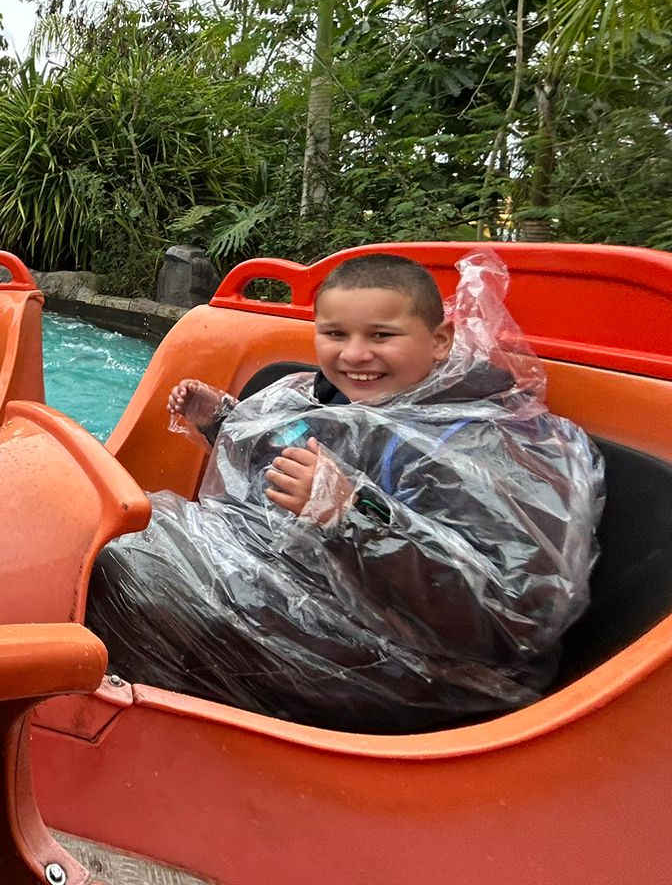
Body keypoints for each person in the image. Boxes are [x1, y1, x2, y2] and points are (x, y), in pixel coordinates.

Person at [85, 251, 604, 733]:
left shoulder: (489, 442)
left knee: (121, 569)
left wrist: (355, 513)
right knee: (102, 527)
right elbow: (282, 464)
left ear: (440, 340)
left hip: (423, 669)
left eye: (381, 335)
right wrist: (223, 420)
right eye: (335, 333)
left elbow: (511, 618)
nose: (355, 354)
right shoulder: (339, 399)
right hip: (308, 590)